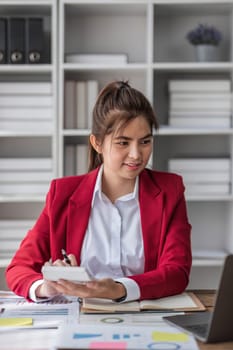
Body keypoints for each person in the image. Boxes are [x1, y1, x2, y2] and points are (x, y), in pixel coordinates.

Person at [6, 80, 192, 303]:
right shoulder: (63, 194)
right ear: (97, 143)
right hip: (80, 317)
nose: (136, 154)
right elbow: (19, 268)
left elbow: (177, 272)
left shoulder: (169, 191)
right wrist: (47, 287)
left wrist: (119, 289)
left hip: (143, 315)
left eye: (144, 142)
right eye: (123, 143)